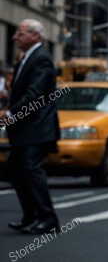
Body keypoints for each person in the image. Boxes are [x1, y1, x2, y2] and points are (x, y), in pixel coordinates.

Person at [1, 19, 60, 234]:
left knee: (31, 169)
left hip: (37, 127)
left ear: (35, 36)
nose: (15, 37)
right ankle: (31, 216)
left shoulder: (41, 59)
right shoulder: (26, 58)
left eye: (20, 33)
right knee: (16, 171)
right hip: (25, 127)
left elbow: (35, 95)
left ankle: (48, 218)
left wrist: (9, 113)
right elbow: (20, 91)